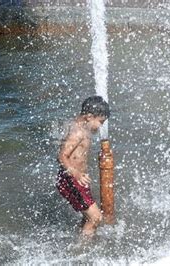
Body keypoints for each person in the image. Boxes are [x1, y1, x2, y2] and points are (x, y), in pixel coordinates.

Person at [56, 95, 110, 237]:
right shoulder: (78, 132)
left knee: (88, 216)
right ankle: (82, 251)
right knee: (96, 218)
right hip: (73, 179)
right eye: (100, 122)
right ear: (89, 117)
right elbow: (62, 156)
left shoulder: (78, 125)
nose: (101, 126)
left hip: (75, 179)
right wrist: (77, 174)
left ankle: (82, 237)